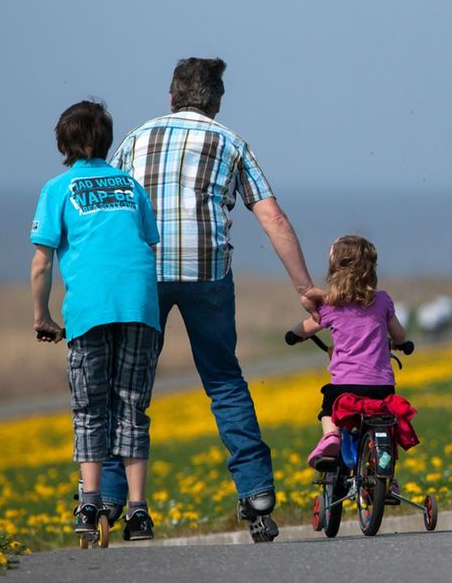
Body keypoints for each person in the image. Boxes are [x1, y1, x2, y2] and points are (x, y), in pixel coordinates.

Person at [101, 57, 325, 542]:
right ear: (217, 102)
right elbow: (273, 218)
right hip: (207, 273)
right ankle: (257, 495)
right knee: (224, 381)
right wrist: (305, 289)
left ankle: (113, 498)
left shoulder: (135, 139)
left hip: (144, 273)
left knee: (129, 387)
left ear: (171, 97)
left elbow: (108, 210)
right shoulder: (231, 142)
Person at [30, 100, 161, 544]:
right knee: (131, 407)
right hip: (140, 306)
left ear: (63, 144)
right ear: (107, 140)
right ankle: (138, 511)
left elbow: (41, 264)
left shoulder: (58, 188)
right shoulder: (130, 185)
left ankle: (90, 501)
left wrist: (42, 317)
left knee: (90, 408)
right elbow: (147, 243)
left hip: (89, 310)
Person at [285, 235, 412, 481]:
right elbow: (399, 334)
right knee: (386, 426)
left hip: (345, 386)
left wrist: (293, 335)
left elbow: (304, 329)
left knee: (328, 409)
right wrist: (401, 343)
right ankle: (388, 480)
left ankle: (331, 435)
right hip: (382, 386)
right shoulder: (382, 300)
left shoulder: (331, 305)